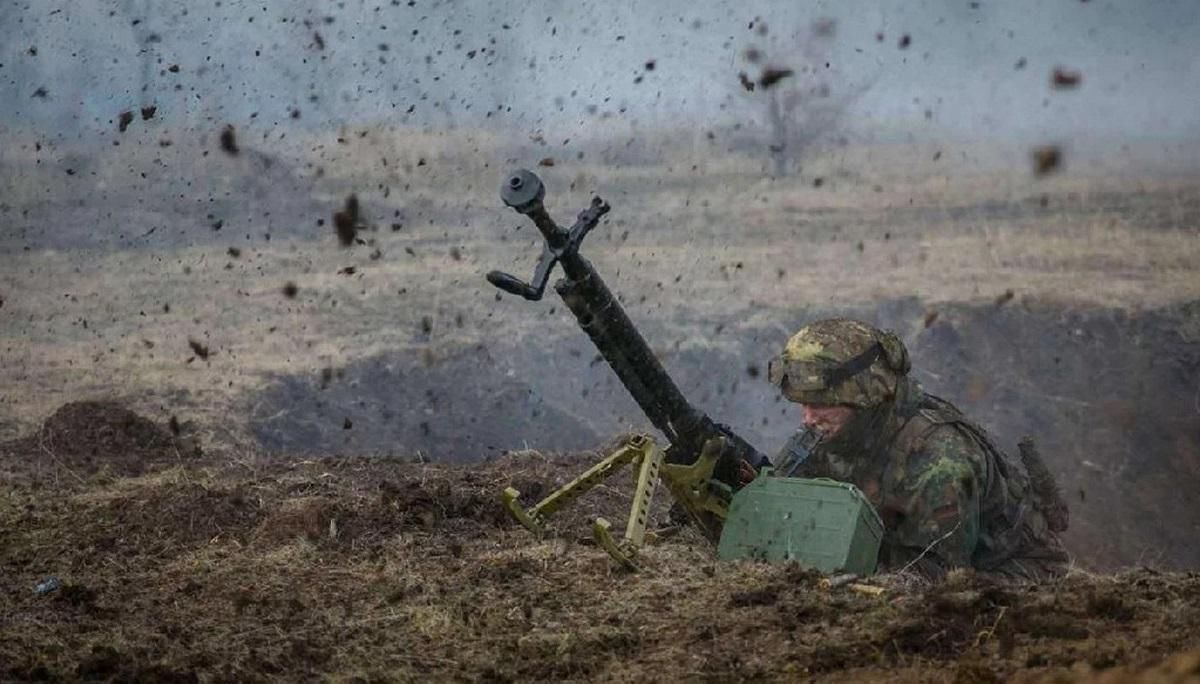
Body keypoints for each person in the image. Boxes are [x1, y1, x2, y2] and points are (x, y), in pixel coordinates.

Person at [763, 318, 1070, 580]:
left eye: (820, 404)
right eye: (803, 404)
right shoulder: (839, 430)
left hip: (1009, 576)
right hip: (899, 552)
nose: (808, 418)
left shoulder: (939, 464)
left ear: (865, 398)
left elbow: (933, 581)